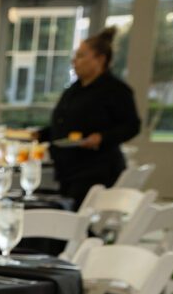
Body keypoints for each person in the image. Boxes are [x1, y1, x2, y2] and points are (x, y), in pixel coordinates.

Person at [37, 26, 141, 207]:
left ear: (100, 59)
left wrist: (101, 138)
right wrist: (40, 134)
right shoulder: (75, 89)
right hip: (68, 169)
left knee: (73, 219)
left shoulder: (115, 90)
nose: (74, 61)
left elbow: (132, 125)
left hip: (95, 170)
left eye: (81, 56)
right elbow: (66, 124)